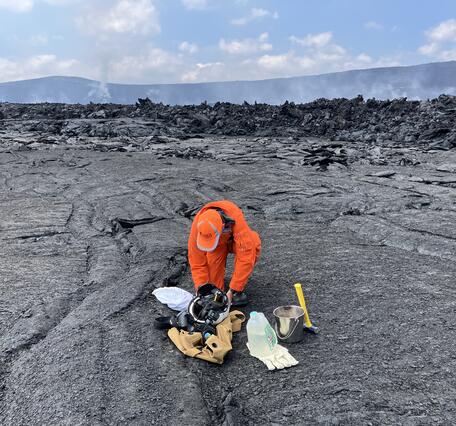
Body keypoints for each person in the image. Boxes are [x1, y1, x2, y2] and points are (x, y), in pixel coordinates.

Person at [188, 200, 261, 307]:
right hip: (218, 246)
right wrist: (202, 289)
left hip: (235, 242)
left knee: (253, 243)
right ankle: (217, 290)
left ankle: (237, 291)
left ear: (222, 226)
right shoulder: (198, 226)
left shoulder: (234, 216)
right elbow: (196, 261)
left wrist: (233, 289)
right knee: (212, 288)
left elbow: (245, 255)